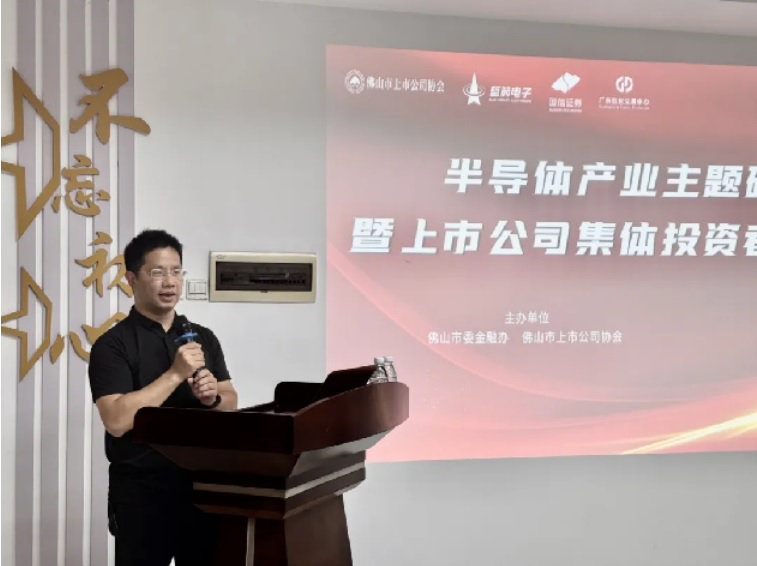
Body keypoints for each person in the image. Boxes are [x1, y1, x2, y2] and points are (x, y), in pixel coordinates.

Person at [88, 229, 239, 566]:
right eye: (157, 272)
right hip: (142, 492)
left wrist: (213, 398)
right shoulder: (112, 345)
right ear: (132, 279)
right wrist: (174, 374)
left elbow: (231, 399)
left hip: (202, 487)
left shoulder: (202, 337)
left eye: (176, 271)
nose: (170, 282)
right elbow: (116, 420)